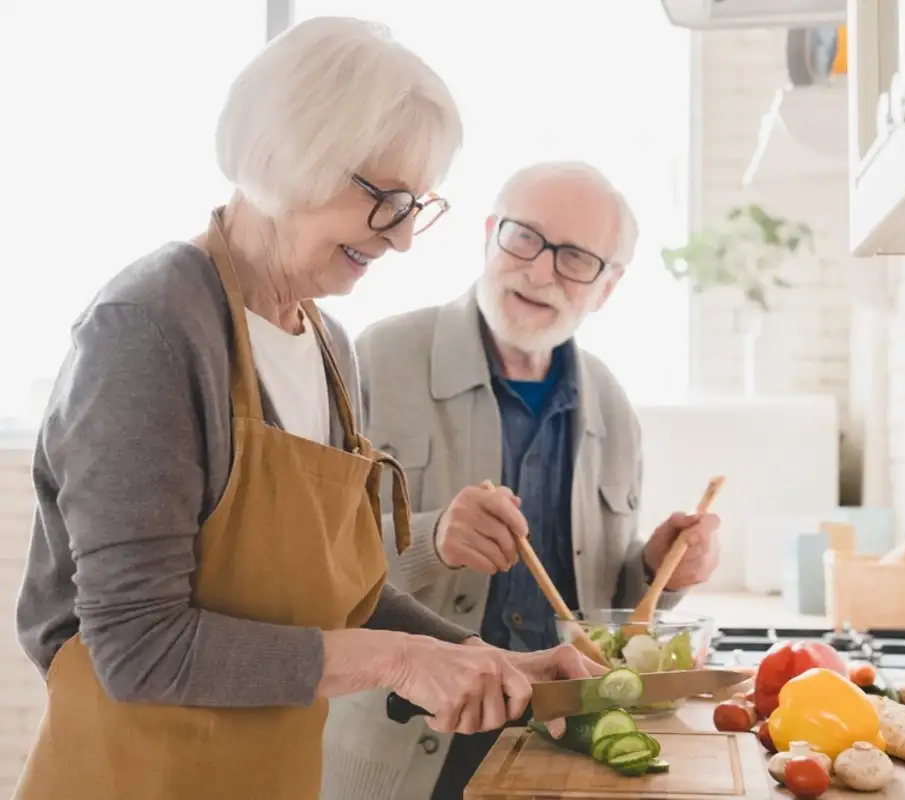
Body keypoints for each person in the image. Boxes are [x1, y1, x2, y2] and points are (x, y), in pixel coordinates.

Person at [13, 18, 601, 800]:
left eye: (416, 206)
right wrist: (398, 661)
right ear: (291, 153)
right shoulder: (148, 331)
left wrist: (493, 660)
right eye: (386, 201)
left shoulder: (329, 347)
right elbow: (136, 646)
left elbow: (348, 596)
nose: (401, 242)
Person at [331, 161, 722, 799]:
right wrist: (432, 540)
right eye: (524, 238)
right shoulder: (374, 359)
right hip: (399, 755)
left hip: (562, 741)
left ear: (608, 285)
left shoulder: (613, 406)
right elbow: (309, 571)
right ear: (489, 234)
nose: (540, 271)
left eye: (575, 258)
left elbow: (600, 605)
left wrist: (658, 571)